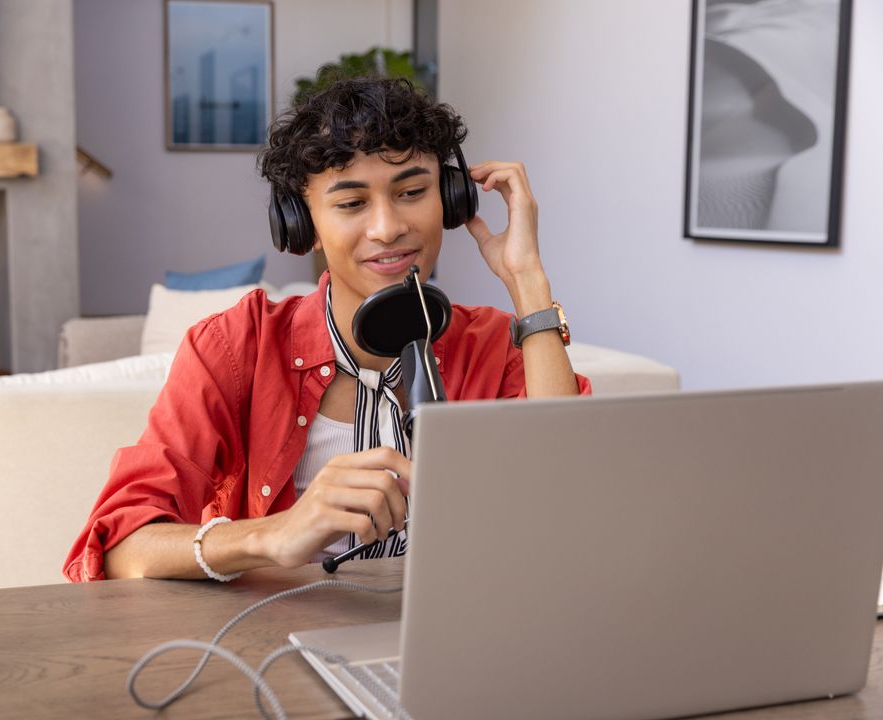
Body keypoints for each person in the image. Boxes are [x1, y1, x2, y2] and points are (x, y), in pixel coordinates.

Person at [63, 77, 591, 583]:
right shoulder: (235, 346)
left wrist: (526, 280)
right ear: (302, 221)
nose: (387, 228)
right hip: (279, 642)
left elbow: (571, 508)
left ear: (450, 202)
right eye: (351, 203)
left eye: (412, 192)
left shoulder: (496, 345)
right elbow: (119, 549)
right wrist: (274, 535)